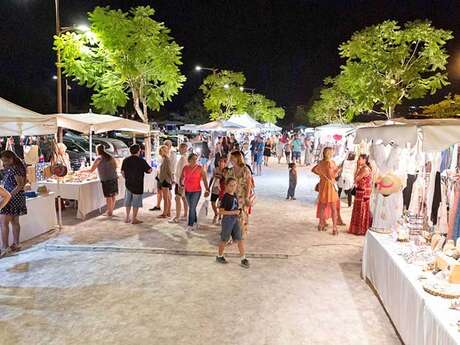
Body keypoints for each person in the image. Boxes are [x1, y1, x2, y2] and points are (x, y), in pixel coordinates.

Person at [216, 177, 250, 268]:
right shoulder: (225, 197)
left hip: (235, 219)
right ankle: (220, 256)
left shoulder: (234, 195)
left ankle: (243, 258)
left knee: (239, 238)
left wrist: (239, 210)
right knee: (224, 239)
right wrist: (233, 212)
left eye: (234, 185)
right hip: (227, 220)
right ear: (226, 186)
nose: (233, 187)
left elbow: (235, 206)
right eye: (231, 185)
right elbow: (221, 211)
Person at [0, 150, 25, 256]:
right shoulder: (15, 167)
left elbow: (20, 185)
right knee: (15, 222)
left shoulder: (15, 168)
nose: (4, 163)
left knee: (4, 223)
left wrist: (8, 196)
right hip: (15, 197)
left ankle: (5, 247)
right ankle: (16, 244)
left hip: (12, 198)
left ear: (11, 159)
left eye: (5, 161)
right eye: (2, 161)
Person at [312, 147, 341, 235]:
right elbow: (332, 175)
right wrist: (338, 170)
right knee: (333, 208)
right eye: (332, 151)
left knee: (322, 206)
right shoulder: (330, 163)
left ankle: (321, 225)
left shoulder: (321, 162)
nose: (333, 152)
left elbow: (313, 170)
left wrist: (322, 175)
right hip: (330, 186)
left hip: (323, 185)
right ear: (329, 153)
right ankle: (334, 228)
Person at [121, 144, 152, 224]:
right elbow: (149, 170)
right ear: (138, 151)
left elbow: (122, 172)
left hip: (128, 184)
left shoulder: (126, 160)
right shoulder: (141, 160)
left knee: (128, 201)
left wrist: (127, 178)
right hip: (138, 184)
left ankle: (127, 217)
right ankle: (134, 218)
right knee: (136, 202)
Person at [85, 145, 118, 217]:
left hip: (106, 179)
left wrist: (82, 171)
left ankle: (109, 212)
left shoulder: (99, 158)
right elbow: (116, 166)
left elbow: (91, 170)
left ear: (97, 150)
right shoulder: (110, 157)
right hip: (114, 178)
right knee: (113, 195)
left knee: (108, 196)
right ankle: (110, 211)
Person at [180, 153, 210, 231]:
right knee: (192, 208)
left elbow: (204, 179)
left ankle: (190, 225)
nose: (195, 160)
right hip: (187, 190)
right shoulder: (185, 168)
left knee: (192, 207)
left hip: (196, 191)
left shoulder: (200, 168)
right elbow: (181, 177)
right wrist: (181, 184)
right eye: (193, 159)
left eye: (196, 159)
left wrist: (207, 189)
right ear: (189, 160)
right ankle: (196, 222)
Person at [228, 151, 253, 238]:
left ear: (238, 158)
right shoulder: (230, 170)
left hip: (242, 196)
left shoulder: (245, 169)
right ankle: (233, 234)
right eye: (230, 158)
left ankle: (240, 234)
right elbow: (226, 184)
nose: (231, 159)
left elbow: (249, 184)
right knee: (231, 215)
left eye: (232, 158)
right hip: (232, 196)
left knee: (242, 215)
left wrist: (247, 197)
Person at [349, 154, 373, 236]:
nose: (358, 160)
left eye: (359, 159)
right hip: (362, 190)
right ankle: (359, 228)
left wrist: (357, 168)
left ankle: (360, 229)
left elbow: (356, 178)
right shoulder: (363, 168)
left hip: (363, 192)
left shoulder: (365, 169)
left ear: (364, 160)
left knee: (361, 209)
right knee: (359, 209)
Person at [170, 143, 188, 223]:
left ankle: (177, 217)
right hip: (181, 181)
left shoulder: (183, 158)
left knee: (178, 198)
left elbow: (183, 172)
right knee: (183, 198)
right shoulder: (183, 158)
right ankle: (184, 215)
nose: (179, 149)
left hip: (181, 182)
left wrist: (181, 183)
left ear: (184, 149)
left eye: (180, 148)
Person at [157, 145, 173, 218]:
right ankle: (168, 212)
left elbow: (169, 171)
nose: (160, 152)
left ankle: (165, 213)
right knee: (167, 197)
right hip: (165, 180)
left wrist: (171, 179)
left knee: (166, 198)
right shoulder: (164, 159)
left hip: (165, 180)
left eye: (161, 151)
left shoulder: (166, 159)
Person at [210, 158, 226, 224]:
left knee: (220, 205)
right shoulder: (215, 169)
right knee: (213, 202)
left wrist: (219, 176)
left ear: (224, 163)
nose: (220, 164)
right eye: (219, 162)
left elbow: (225, 178)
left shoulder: (226, 170)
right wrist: (208, 187)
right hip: (215, 188)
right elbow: (212, 178)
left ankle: (220, 217)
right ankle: (216, 213)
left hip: (222, 190)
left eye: (222, 162)